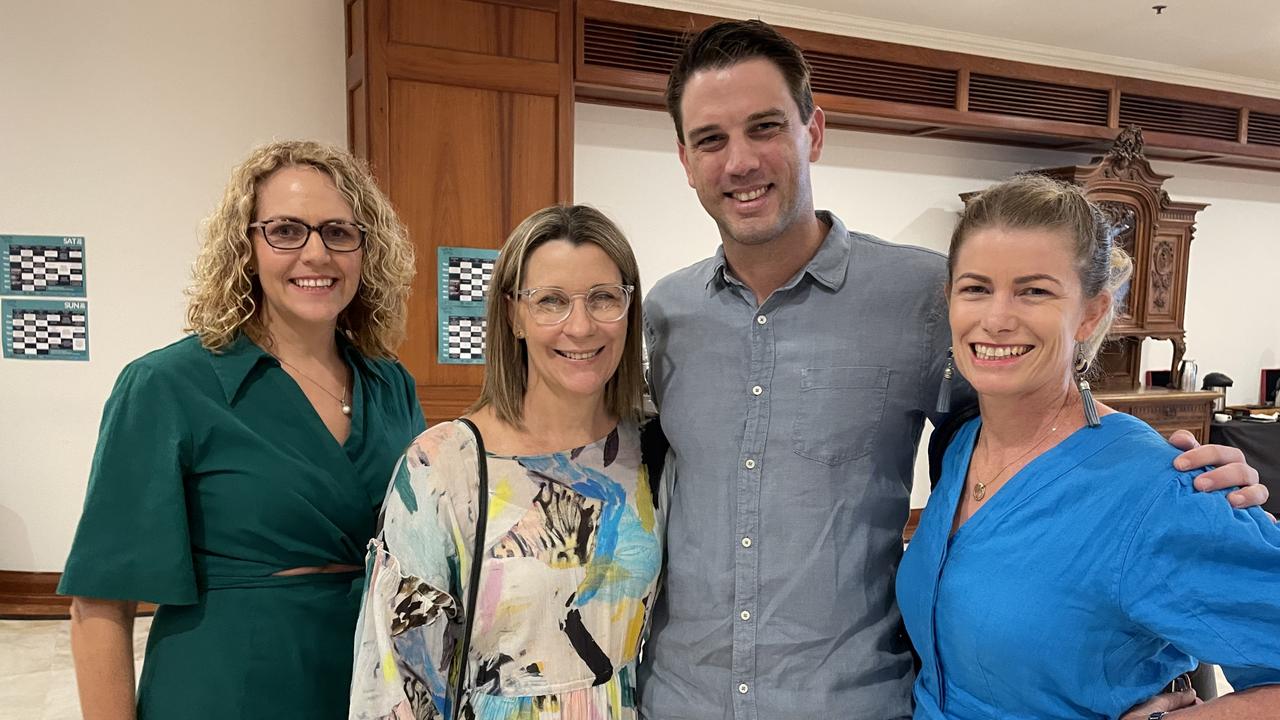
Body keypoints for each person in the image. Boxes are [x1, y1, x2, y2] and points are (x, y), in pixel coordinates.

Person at [639, 19, 1268, 720]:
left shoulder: (916, 297)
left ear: (812, 132)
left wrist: (1182, 484)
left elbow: (1056, 423)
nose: (739, 161)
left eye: (765, 127)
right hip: (679, 698)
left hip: (851, 704)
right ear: (685, 158)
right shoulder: (664, 314)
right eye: (711, 139)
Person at [59, 140, 426, 719]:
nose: (316, 253)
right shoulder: (167, 385)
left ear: (365, 249)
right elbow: (101, 602)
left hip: (372, 683)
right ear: (245, 246)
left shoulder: (391, 386)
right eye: (285, 231)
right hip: (229, 684)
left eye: (338, 232)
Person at [896, 174, 1280, 719]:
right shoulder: (961, 445)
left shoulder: (1160, 489)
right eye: (976, 288)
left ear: (1092, 312)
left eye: (1035, 291)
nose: (997, 318)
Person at [349, 205, 665, 720]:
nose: (580, 326)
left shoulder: (651, 447)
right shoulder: (442, 467)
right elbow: (393, 679)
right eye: (551, 302)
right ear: (514, 314)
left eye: (604, 298)